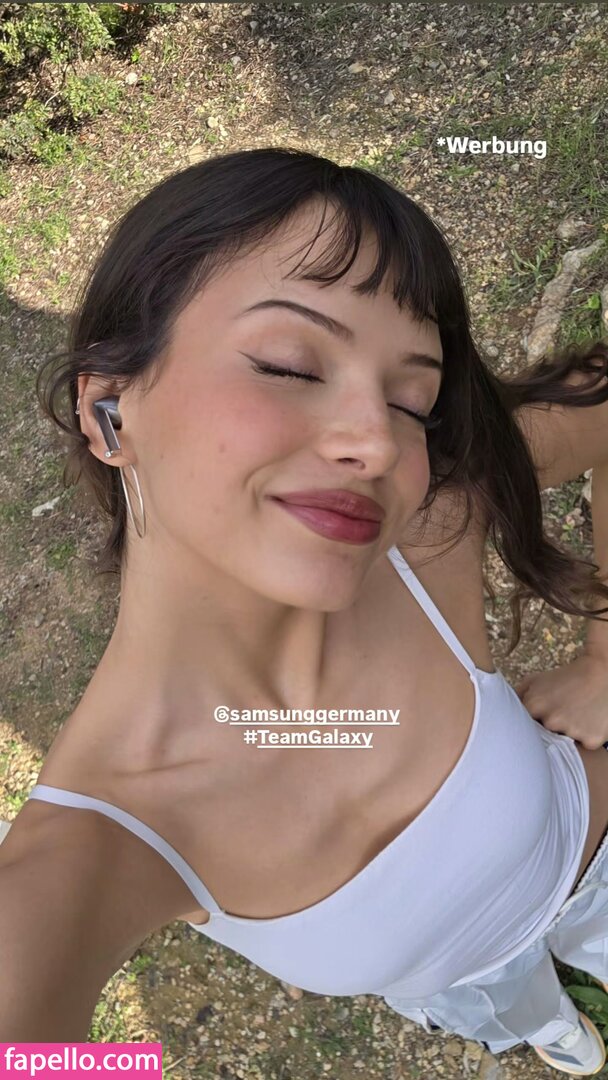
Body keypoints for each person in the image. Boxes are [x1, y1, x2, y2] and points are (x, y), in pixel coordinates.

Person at [2, 147, 608, 1073]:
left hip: (593, 863)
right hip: (456, 976)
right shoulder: (103, 842)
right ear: (109, 409)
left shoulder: (430, 529)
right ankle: (537, 1018)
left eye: (413, 400)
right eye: (288, 365)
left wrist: (605, 659)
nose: (378, 441)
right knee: (498, 998)